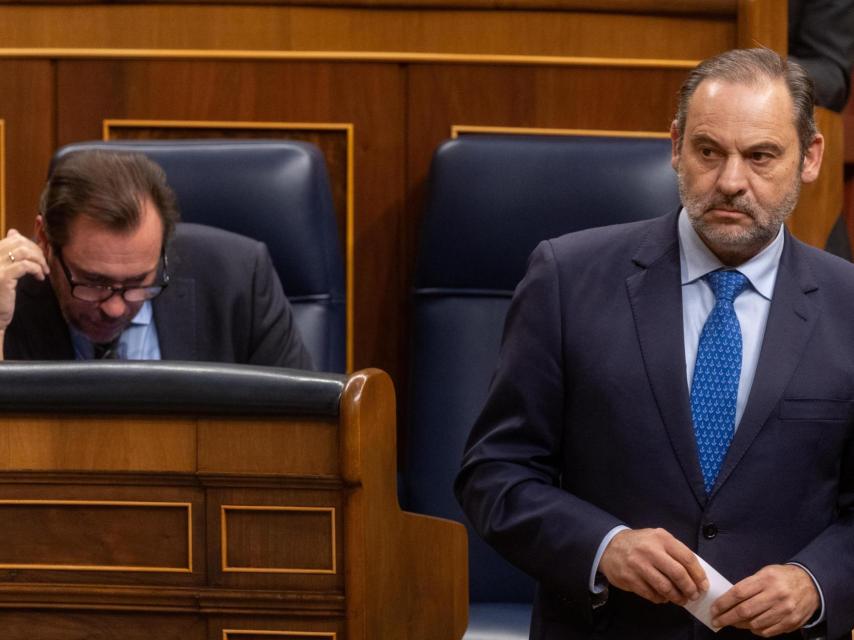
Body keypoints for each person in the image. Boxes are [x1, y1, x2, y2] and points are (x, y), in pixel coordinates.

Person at [455, 48, 854, 640]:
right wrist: (604, 547)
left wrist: (816, 582)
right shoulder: (567, 277)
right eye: (708, 151)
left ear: (810, 157)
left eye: (761, 156)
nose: (730, 181)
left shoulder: (849, 306)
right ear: (675, 147)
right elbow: (495, 473)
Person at [0, 149, 313, 367]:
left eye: (138, 281)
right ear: (45, 240)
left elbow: (301, 430)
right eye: (94, 282)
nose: (115, 307)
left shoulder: (240, 278)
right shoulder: (11, 297)